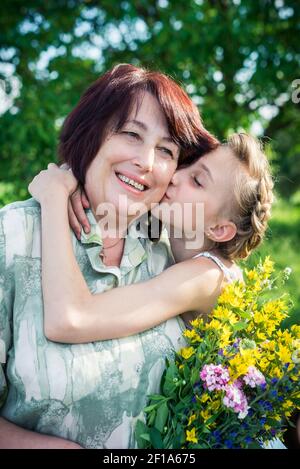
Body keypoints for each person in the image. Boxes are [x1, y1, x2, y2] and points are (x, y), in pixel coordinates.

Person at [0, 64, 218, 449]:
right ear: (92, 135)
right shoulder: (14, 235)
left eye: (166, 150)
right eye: (131, 134)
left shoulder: (165, 248)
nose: (147, 163)